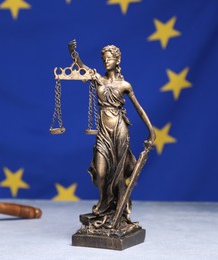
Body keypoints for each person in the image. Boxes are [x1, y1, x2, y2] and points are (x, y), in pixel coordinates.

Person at [68, 40, 155, 228]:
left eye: (109, 59)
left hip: (119, 129)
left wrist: (151, 131)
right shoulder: (99, 79)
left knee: (119, 173)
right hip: (103, 131)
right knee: (100, 173)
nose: (106, 62)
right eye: (104, 59)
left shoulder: (125, 85)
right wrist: (73, 54)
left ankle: (119, 212)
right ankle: (103, 205)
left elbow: (139, 109)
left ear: (117, 60)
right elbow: (82, 67)